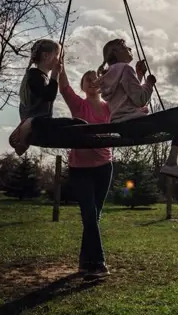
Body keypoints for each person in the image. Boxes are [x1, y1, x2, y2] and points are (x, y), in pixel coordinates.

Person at [97, 38, 178, 179]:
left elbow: (126, 95)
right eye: (125, 47)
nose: (130, 49)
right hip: (134, 124)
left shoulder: (111, 74)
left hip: (124, 128)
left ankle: (171, 163)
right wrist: (149, 83)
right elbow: (139, 100)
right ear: (116, 52)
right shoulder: (126, 69)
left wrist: (139, 75)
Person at [59, 67, 112, 280]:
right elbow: (63, 88)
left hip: (104, 166)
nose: (91, 82)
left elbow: (129, 104)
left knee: (94, 216)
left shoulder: (109, 108)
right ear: (82, 85)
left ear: (101, 83)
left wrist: (144, 82)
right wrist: (60, 67)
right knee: (89, 215)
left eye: (95, 79)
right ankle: (98, 263)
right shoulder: (79, 105)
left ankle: (84, 262)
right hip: (80, 168)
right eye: (87, 80)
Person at [10, 39, 88, 156]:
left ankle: (24, 138)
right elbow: (49, 95)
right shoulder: (34, 75)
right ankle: (26, 128)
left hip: (43, 123)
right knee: (78, 123)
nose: (59, 60)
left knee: (78, 124)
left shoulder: (39, 76)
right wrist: (55, 74)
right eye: (57, 55)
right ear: (46, 56)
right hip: (37, 123)